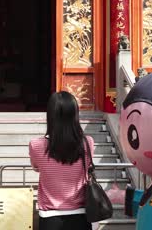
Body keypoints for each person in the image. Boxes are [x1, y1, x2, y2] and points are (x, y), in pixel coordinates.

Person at [29, 91, 94, 230]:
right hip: (81, 216)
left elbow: (36, 167)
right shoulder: (88, 143)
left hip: (49, 217)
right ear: (75, 114)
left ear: (50, 116)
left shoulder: (36, 145)